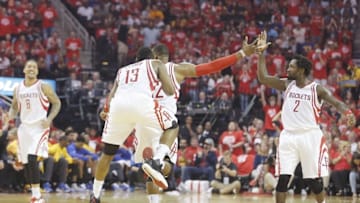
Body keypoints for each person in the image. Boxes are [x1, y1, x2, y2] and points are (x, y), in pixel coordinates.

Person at [256, 31, 356, 203]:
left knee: (313, 181)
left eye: (292, 67)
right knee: (282, 179)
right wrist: (261, 53)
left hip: (310, 136)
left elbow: (337, 103)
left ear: (302, 70)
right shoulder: (286, 84)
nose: (288, 69)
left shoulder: (317, 89)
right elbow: (263, 78)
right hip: (288, 136)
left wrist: (348, 112)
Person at [90, 47, 175, 203]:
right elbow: (170, 90)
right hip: (142, 104)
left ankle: (95, 195)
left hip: (118, 106)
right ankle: (157, 162)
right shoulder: (156, 63)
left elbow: (112, 93)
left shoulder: (122, 70)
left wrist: (106, 110)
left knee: (107, 153)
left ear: (136, 59)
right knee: (172, 126)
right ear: (152, 57)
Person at [8, 59, 61, 203]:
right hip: (24, 128)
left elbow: (56, 103)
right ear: (24, 70)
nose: (31, 68)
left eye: (34, 67)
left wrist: (49, 119)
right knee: (26, 164)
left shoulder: (43, 86)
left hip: (39, 127)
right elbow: (14, 106)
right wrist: (10, 116)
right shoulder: (18, 88)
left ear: (37, 71)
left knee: (32, 159)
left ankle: (37, 196)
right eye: (29, 66)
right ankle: (34, 194)